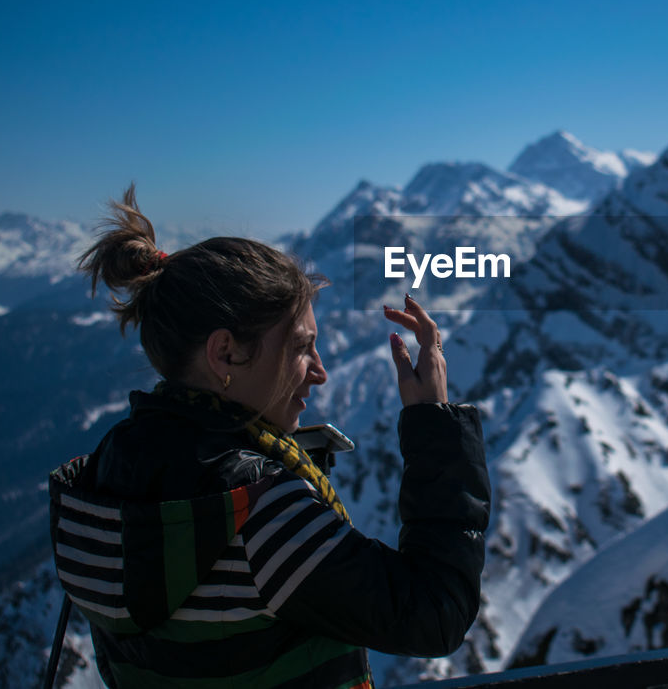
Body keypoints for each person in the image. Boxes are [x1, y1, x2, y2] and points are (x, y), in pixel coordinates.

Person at [48, 186, 490, 688]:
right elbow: (434, 613)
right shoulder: (258, 513)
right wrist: (436, 425)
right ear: (225, 355)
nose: (320, 373)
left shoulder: (105, 475)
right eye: (302, 348)